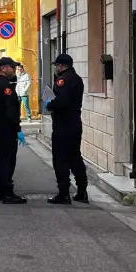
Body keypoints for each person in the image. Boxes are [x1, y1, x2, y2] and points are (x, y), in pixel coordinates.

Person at [45, 52, 88, 204]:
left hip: (63, 125)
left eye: (57, 65)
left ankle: (63, 193)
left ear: (61, 66)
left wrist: (49, 104)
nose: (56, 68)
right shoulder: (77, 79)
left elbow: (61, 102)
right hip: (75, 123)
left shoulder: (63, 80)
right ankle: (82, 191)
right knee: (75, 157)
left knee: (61, 159)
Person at [0, 56, 28, 205]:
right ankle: (7, 193)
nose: (14, 70)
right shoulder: (4, 86)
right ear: (4, 68)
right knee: (7, 161)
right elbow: (10, 110)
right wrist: (17, 127)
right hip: (5, 129)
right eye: (12, 67)